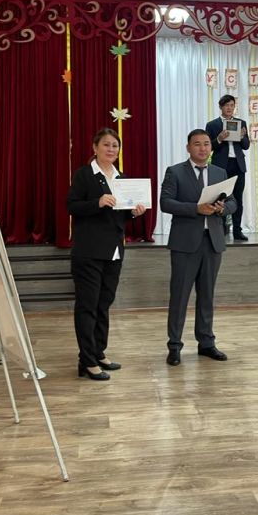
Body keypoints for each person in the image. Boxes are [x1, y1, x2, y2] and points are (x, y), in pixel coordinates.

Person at [67, 128, 146, 380]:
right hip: (89, 252)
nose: (111, 149)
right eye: (106, 145)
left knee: (103, 305)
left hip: (113, 252)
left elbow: (119, 216)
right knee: (87, 306)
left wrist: (133, 213)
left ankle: (98, 352)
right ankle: (87, 361)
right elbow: (72, 206)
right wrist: (97, 202)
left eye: (115, 145)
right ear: (95, 147)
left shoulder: (122, 178)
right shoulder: (84, 174)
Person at [160, 129, 237, 366]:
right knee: (180, 296)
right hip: (185, 243)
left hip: (212, 241)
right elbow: (165, 203)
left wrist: (223, 209)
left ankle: (206, 343)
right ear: (188, 148)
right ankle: (174, 346)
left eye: (206, 144)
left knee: (207, 295)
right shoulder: (175, 172)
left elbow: (233, 202)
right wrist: (195, 208)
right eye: (197, 144)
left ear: (211, 148)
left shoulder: (219, 172)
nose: (202, 148)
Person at [205, 94, 250, 241]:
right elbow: (209, 147)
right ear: (221, 107)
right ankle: (222, 229)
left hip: (238, 165)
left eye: (232, 105)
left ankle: (237, 230)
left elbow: (246, 146)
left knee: (238, 198)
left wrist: (242, 137)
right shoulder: (212, 125)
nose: (229, 108)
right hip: (221, 166)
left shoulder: (241, 123)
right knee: (220, 199)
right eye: (226, 105)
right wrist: (219, 139)